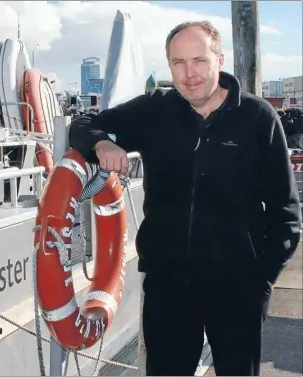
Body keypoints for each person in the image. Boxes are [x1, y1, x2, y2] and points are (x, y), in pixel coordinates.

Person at [69, 21, 302, 376]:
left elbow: (286, 211)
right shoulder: (154, 110)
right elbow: (84, 123)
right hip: (169, 286)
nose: (189, 74)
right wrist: (102, 143)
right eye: (178, 63)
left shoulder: (258, 118)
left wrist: (263, 280)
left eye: (199, 61)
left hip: (238, 289)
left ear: (219, 60)